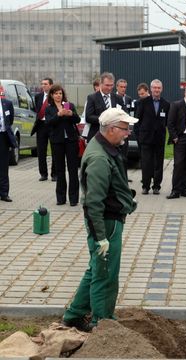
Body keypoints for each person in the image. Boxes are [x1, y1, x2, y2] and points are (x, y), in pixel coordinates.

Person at [62, 108, 138, 332]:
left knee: (96, 268)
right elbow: (93, 204)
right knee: (105, 273)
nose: (128, 133)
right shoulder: (99, 159)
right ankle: (103, 324)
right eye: (125, 129)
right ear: (112, 129)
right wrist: (101, 238)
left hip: (109, 220)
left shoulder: (107, 148)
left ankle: (74, 314)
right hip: (106, 223)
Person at [44, 84, 80, 206]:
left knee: (73, 170)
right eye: (56, 93)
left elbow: (78, 120)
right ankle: (61, 198)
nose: (58, 95)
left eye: (60, 93)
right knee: (60, 170)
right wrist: (58, 115)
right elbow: (48, 123)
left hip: (71, 141)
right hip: (57, 142)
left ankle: (74, 198)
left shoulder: (70, 105)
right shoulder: (49, 109)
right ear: (52, 95)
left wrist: (71, 114)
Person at [136, 79, 170, 195]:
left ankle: (156, 186)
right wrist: (141, 134)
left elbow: (167, 122)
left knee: (158, 164)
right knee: (146, 163)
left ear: (161, 89)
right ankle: (145, 186)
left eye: (158, 88)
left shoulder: (166, 104)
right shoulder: (143, 102)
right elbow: (138, 120)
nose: (156, 90)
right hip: (146, 139)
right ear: (151, 89)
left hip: (159, 139)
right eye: (154, 88)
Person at [166, 84, 186, 199]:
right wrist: (174, 137)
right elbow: (170, 123)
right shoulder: (176, 105)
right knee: (179, 164)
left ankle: (185, 189)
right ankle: (175, 190)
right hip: (180, 139)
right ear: (185, 93)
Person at [85, 72, 124, 142]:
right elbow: (88, 117)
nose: (109, 88)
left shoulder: (118, 98)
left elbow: (125, 113)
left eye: (111, 85)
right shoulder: (92, 98)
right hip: (97, 136)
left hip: (114, 138)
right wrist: (105, 119)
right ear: (101, 84)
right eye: (107, 85)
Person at [32, 77, 56, 182]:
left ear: (51, 85)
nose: (43, 86)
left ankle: (54, 174)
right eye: (42, 84)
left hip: (53, 125)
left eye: (45, 84)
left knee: (55, 150)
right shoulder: (38, 96)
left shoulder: (56, 96)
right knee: (41, 151)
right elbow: (36, 110)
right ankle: (43, 174)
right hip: (41, 126)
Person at [0, 87, 16, 202]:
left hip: (3, 137)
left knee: (4, 167)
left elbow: (10, 120)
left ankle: (4, 193)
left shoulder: (7, 103)